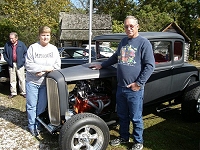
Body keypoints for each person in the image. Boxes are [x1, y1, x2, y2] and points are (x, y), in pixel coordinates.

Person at [89, 16, 155, 150]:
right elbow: (115, 57)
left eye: (131, 26)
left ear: (137, 26)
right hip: (121, 86)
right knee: (122, 115)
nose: (128, 28)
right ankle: (124, 136)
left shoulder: (144, 43)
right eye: (126, 26)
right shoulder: (123, 41)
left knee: (136, 117)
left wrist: (139, 83)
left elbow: (150, 66)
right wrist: (103, 65)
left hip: (134, 88)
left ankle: (138, 141)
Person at [25, 26, 61, 136]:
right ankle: (32, 125)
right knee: (31, 105)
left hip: (46, 83)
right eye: (43, 35)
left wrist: (43, 71)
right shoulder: (33, 48)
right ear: (39, 36)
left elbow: (57, 65)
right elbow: (29, 65)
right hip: (32, 82)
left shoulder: (53, 49)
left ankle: (39, 125)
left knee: (42, 106)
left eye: (47, 35)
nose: (45, 37)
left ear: (50, 36)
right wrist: (44, 68)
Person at [3, 32, 27, 99]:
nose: (11, 40)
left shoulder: (21, 44)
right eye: (10, 38)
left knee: (21, 79)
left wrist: (22, 61)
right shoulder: (7, 44)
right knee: (12, 79)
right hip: (11, 64)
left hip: (20, 64)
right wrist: (8, 60)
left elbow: (26, 53)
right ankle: (13, 92)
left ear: (16, 38)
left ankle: (23, 92)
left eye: (12, 38)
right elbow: (4, 53)